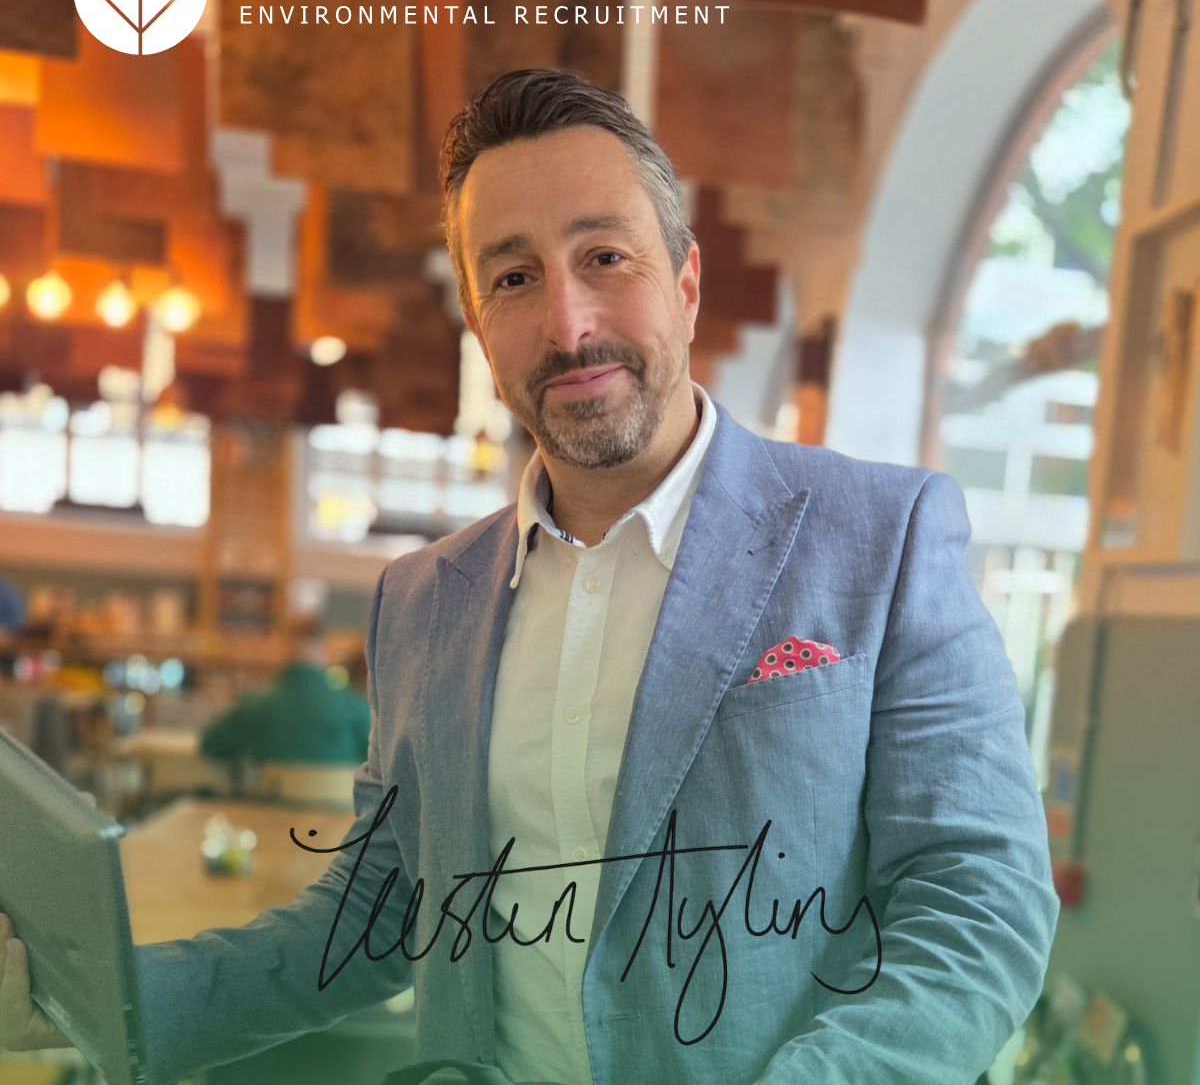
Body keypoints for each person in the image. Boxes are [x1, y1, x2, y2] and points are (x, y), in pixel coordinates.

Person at [0, 68, 1058, 1085]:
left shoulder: (885, 534)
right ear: (479, 328)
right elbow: (374, 919)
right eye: (513, 278)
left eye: (606, 257)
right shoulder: (420, 601)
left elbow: (981, 903)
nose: (568, 324)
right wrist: (83, 1001)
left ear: (685, 284)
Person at [199, 623, 371, 766]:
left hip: (270, 804)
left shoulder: (253, 706)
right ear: (326, 652)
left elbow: (211, 745)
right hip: (341, 806)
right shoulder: (356, 708)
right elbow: (377, 762)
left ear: (283, 651)